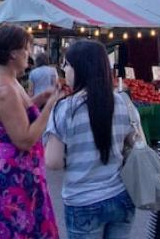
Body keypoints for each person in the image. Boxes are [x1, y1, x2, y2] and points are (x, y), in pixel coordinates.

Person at [44, 40, 138, 238]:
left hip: (83, 200)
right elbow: (137, 144)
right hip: (121, 196)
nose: (65, 71)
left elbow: (53, 162)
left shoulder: (65, 109)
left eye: (67, 65)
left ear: (80, 68)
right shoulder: (123, 103)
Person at [0, 24, 61, 238]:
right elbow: (24, 139)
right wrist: (50, 106)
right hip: (17, 176)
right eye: (27, 48)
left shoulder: (0, 79)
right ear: (13, 53)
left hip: (11, 170)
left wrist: (37, 100)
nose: (29, 54)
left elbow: (10, 118)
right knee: (23, 231)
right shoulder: (6, 89)